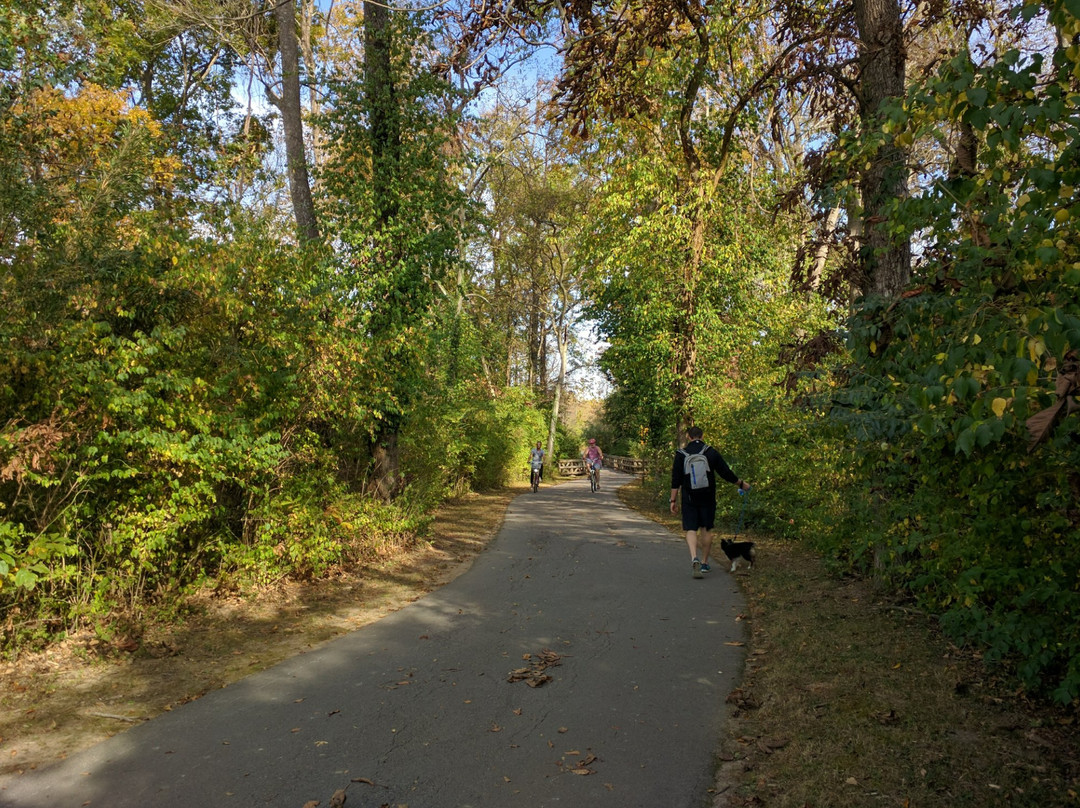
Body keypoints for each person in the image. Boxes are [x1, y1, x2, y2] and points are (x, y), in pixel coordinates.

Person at [669, 426, 750, 579]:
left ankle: (694, 558)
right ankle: (705, 563)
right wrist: (741, 484)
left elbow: (676, 479)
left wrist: (673, 500)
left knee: (691, 529)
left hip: (689, 497)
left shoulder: (681, 454)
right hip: (707, 496)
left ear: (688, 437)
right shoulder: (710, 452)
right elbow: (725, 472)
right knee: (706, 529)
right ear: (702, 436)